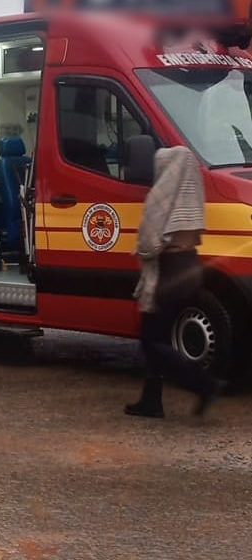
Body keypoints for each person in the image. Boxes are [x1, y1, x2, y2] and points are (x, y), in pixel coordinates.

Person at [126, 146, 222, 419]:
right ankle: (151, 400)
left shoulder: (162, 196)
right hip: (191, 265)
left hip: (168, 270)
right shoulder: (191, 196)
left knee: (150, 340)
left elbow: (149, 240)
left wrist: (142, 252)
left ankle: (205, 385)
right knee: (161, 336)